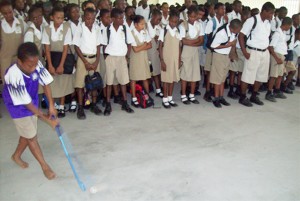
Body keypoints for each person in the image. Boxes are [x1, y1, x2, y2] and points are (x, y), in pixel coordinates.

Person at [2, 42, 58, 180]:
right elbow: (26, 104)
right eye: (29, 65)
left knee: (27, 133)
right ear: (19, 61)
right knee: (32, 137)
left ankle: (16, 156)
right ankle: (45, 166)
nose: (33, 68)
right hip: (18, 107)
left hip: (32, 101)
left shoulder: (35, 63)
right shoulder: (13, 74)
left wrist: (51, 105)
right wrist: (46, 119)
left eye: (35, 64)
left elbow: (45, 83)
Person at [238, 2, 275, 107]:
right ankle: (243, 97)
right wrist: (244, 51)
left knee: (261, 76)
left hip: (264, 52)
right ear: (264, 11)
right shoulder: (252, 20)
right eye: (270, 13)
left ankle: (254, 96)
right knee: (247, 75)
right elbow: (241, 36)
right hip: (253, 52)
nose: (271, 15)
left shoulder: (268, 23)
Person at [102, 8, 135, 116]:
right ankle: (108, 104)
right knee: (109, 82)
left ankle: (125, 103)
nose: (122, 20)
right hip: (110, 58)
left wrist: (127, 56)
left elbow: (129, 43)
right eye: (120, 18)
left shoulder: (125, 29)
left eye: (123, 18)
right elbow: (104, 45)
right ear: (113, 19)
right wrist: (106, 57)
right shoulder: (108, 30)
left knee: (123, 81)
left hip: (122, 58)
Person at [42, 7, 74, 117]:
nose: (60, 20)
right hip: (52, 57)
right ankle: (53, 106)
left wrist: (61, 65)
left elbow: (66, 48)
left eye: (62, 18)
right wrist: (50, 65)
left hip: (62, 58)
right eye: (58, 18)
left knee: (63, 82)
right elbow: (47, 49)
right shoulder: (46, 29)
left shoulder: (67, 28)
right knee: (52, 84)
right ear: (52, 17)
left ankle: (61, 106)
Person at [73, 8, 102, 120]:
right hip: (83, 59)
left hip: (94, 59)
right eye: (88, 18)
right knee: (80, 84)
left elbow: (98, 46)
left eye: (93, 18)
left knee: (94, 83)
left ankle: (93, 105)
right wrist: (85, 62)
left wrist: (96, 62)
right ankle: (80, 108)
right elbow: (76, 46)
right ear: (84, 17)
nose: (91, 21)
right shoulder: (80, 28)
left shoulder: (97, 28)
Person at [210, 19, 242, 108]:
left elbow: (233, 43)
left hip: (226, 56)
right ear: (233, 29)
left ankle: (221, 97)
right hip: (219, 56)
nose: (239, 32)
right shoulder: (222, 33)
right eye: (238, 30)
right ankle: (216, 98)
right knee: (217, 78)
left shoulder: (234, 32)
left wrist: (231, 53)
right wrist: (227, 45)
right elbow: (213, 46)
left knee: (223, 78)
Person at [179, 5, 203, 105]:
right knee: (185, 74)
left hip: (195, 51)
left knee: (195, 74)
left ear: (197, 16)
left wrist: (190, 42)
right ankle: (184, 95)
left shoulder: (199, 25)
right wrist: (194, 41)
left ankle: (192, 95)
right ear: (187, 15)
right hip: (186, 51)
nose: (192, 19)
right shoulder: (182, 25)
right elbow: (182, 41)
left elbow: (201, 41)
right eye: (190, 17)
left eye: (194, 17)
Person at [158, 10, 182, 109]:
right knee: (166, 80)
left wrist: (179, 60)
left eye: (175, 22)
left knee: (172, 79)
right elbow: (160, 46)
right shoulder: (164, 31)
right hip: (166, 59)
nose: (173, 23)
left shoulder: (178, 31)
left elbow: (180, 47)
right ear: (169, 20)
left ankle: (170, 97)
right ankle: (165, 99)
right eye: (172, 21)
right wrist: (162, 60)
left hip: (175, 60)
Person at [203, 2, 226, 102]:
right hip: (211, 50)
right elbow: (208, 36)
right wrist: (212, 49)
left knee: (216, 71)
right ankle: (208, 91)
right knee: (209, 71)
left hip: (219, 50)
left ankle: (213, 89)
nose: (223, 10)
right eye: (221, 9)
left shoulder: (223, 21)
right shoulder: (212, 22)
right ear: (216, 11)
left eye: (224, 9)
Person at [266, 17, 293, 102]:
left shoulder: (283, 33)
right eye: (290, 26)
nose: (290, 27)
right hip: (277, 55)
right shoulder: (277, 33)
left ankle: (277, 90)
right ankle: (269, 92)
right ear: (287, 25)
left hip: (282, 55)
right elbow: (271, 47)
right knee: (273, 75)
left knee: (280, 75)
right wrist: (277, 58)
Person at [0, 0, 27, 82]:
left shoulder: (21, 23)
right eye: (5, 13)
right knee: (8, 83)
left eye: (10, 12)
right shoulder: (0, 25)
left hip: (19, 59)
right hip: (4, 60)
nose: (8, 15)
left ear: (13, 10)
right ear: (1, 13)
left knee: (20, 82)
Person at [129, 15, 152, 107]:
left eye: (144, 24)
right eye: (141, 24)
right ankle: (134, 98)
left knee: (145, 77)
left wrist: (142, 46)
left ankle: (147, 95)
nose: (143, 26)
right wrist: (145, 45)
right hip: (135, 58)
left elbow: (150, 45)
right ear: (135, 25)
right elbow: (135, 50)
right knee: (134, 78)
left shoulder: (145, 32)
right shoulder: (131, 33)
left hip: (144, 58)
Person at [227, 9, 251, 99]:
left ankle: (238, 88)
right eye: (247, 16)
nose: (249, 18)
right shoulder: (238, 26)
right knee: (233, 71)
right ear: (243, 16)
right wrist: (232, 52)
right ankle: (231, 90)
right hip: (236, 49)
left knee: (241, 71)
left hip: (243, 50)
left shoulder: (248, 27)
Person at [147, 9, 163, 98]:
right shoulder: (145, 25)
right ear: (152, 17)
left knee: (156, 71)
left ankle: (158, 90)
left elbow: (161, 38)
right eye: (157, 19)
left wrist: (157, 38)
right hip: (146, 51)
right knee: (147, 72)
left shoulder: (159, 27)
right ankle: (147, 89)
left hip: (154, 51)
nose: (159, 21)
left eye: (160, 19)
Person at [99, 9, 111, 106]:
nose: (109, 19)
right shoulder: (98, 28)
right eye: (106, 17)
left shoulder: (110, 28)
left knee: (106, 78)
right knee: (100, 76)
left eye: (110, 17)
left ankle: (105, 98)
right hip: (100, 55)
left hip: (108, 55)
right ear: (101, 18)